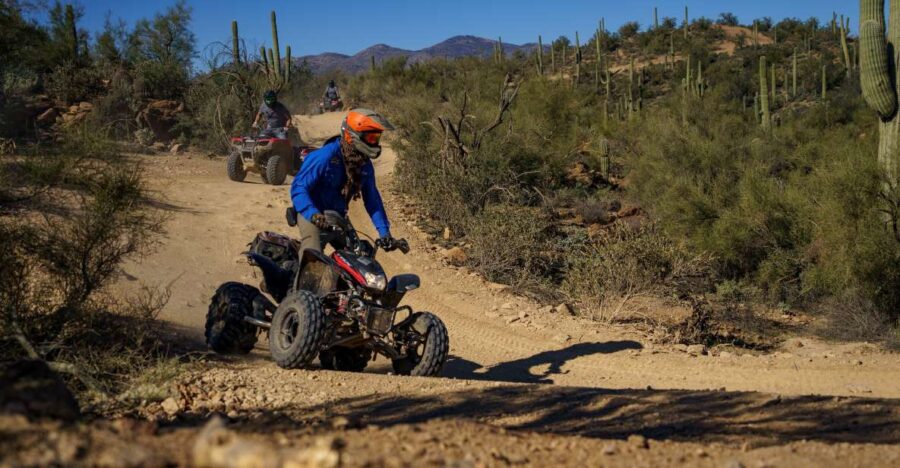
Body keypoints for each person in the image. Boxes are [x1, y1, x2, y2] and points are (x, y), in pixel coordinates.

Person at [290, 108, 396, 254]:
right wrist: (313, 214)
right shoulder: (325, 156)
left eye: (376, 138)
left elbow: (373, 200)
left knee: (361, 256)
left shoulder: (364, 164)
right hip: (312, 213)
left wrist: (385, 233)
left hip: (338, 217)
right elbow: (299, 188)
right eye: (370, 138)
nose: (374, 142)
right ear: (352, 135)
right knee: (312, 255)